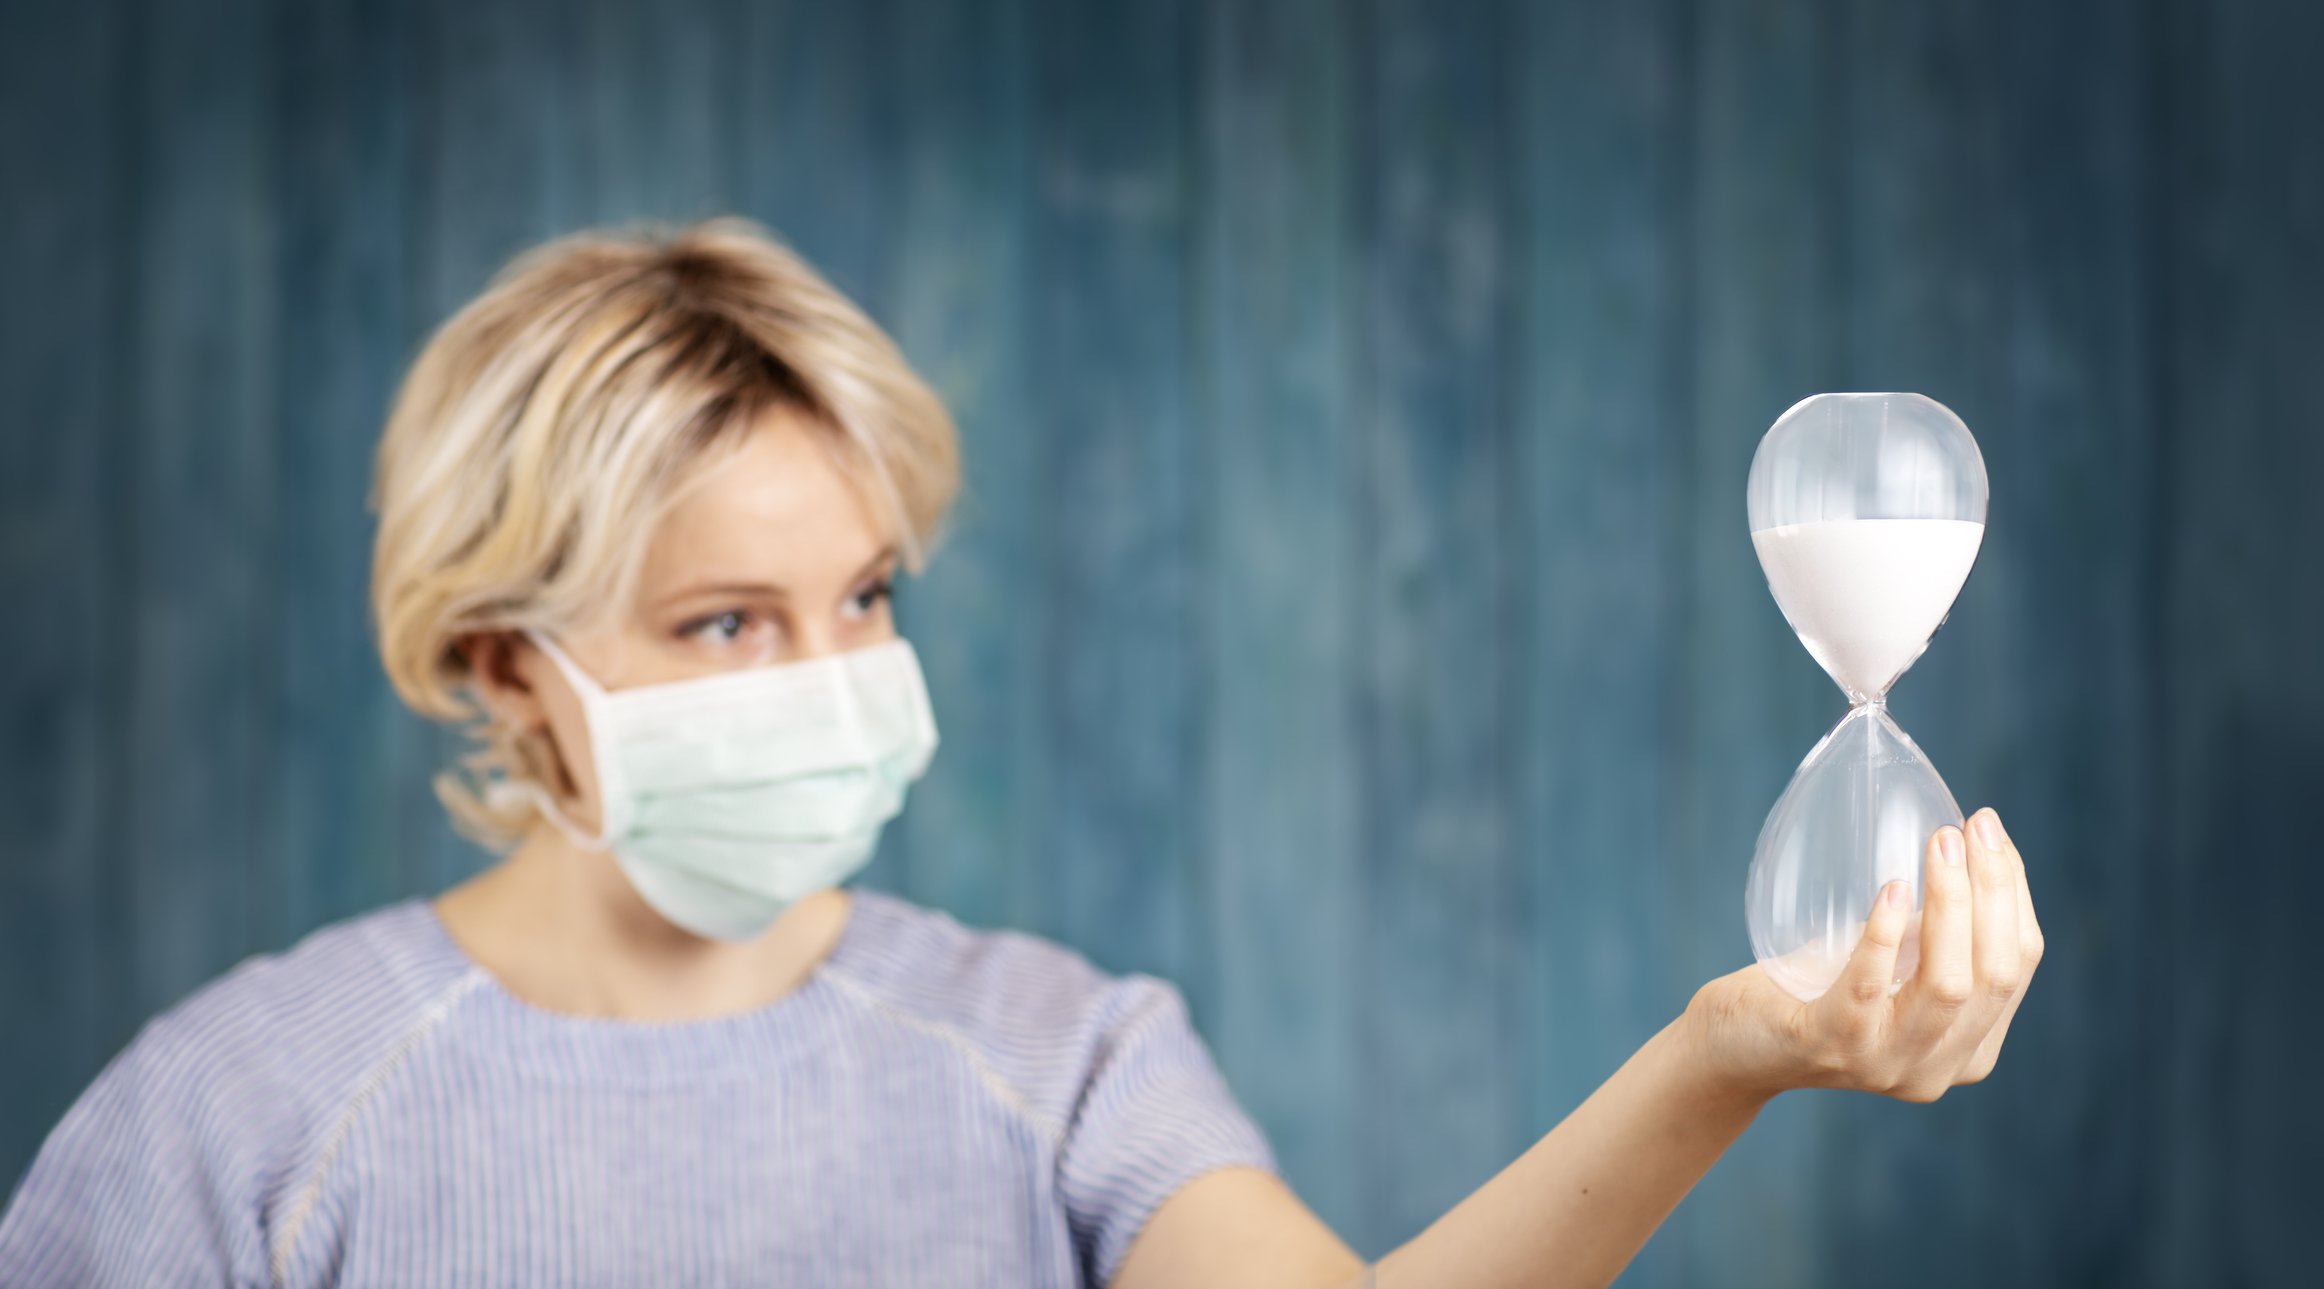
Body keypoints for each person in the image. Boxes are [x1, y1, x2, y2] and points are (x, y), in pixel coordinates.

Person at [0, 220, 2043, 1288]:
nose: (832, 678)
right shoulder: (235, 1123)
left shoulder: (1058, 1058)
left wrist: (1717, 1059)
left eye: (866, 595)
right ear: (501, 666)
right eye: (726, 622)